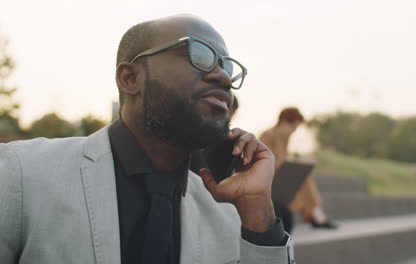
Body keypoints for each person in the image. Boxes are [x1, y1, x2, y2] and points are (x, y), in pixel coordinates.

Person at [0, 15, 294, 264]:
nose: (224, 78)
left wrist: (258, 211)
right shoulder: (22, 174)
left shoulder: (232, 216)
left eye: (227, 67)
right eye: (200, 54)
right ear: (130, 78)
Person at [259, 107, 337, 231]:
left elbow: (282, 160)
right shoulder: (271, 135)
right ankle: (315, 215)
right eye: (293, 126)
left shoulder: (281, 135)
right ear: (285, 122)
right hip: (268, 178)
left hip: (277, 176)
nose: (293, 131)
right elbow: (268, 162)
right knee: (299, 176)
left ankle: (314, 215)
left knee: (301, 174)